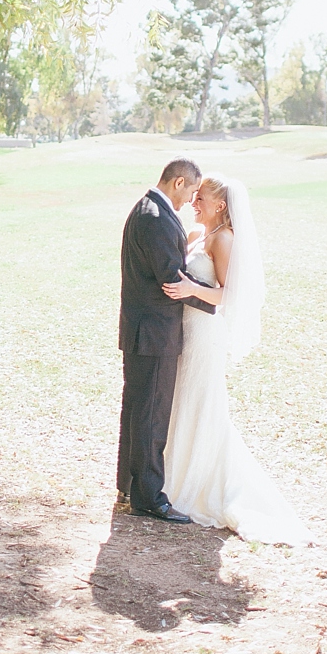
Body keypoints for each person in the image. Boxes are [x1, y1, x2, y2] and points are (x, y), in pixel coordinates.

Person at [161, 176, 313, 545]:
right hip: (184, 332)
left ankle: (198, 482)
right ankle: (170, 474)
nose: (194, 202)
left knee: (203, 402)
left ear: (221, 205)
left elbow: (229, 294)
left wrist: (192, 290)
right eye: (193, 197)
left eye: (201, 198)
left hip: (205, 334)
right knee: (181, 401)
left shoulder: (223, 239)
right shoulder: (198, 234)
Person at [117, 159, 217, 522]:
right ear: (178, 183)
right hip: (154, 333)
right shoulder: (155, 218)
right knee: (150, 415)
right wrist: (215, 298)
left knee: (138, 410)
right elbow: (171, 280)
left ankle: (129, 487)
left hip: (144, 329)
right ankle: (149, 499)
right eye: (191, 191)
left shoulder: (148, 208)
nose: (192, 199)